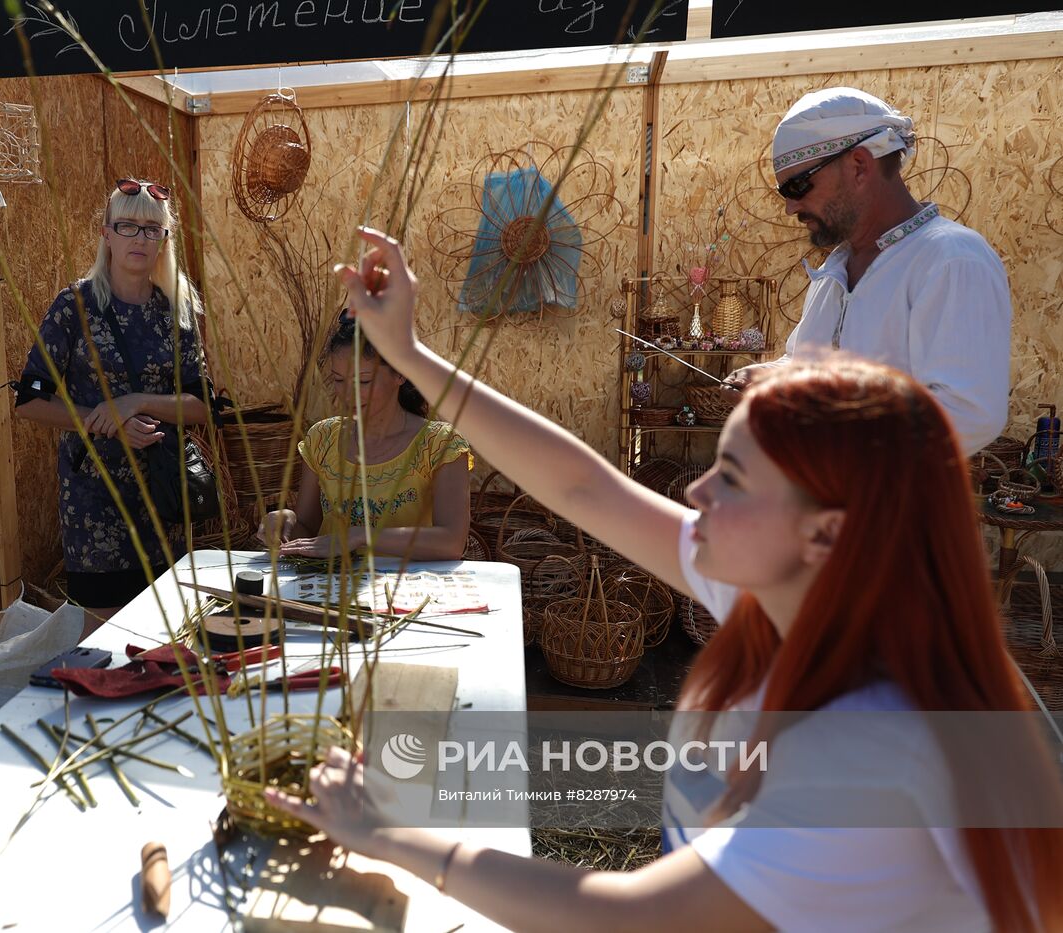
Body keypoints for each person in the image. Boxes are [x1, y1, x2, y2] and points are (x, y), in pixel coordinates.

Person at [266, 229, 1063, 932]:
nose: (695, 493)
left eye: (733, 479)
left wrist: (385, 834)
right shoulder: (788, 593)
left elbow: (631, 917)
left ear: (825, 531)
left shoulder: (868, 752)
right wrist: (409, 355)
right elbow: (586, 488)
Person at [725, 87, 1010, 455]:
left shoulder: (951, 259)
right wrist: (770, 377)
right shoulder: (837, 269)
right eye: (785, 193)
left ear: (859, 166)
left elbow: (969, 413)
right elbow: (805, 365)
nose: (791, 207)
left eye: (798, 185)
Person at [15, 178, 209, 638]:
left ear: (165, 239)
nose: (139, 238)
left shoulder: (176, 311)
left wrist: (135, 402)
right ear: (106, 234)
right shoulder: (74, 306)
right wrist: (106, 423)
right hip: (94, 500)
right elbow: (31, 400)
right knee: (102, 637)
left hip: (163, 494)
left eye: (151, 228)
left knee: (165, 632)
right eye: (127, 226)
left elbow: (200, 405)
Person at [256, 314, 471, 560]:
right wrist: (286, 522)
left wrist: (359, 536)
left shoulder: (439, 445)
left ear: (400, 374)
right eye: (338, 380)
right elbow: (309, 529)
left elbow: (452, 542)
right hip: (327, 590)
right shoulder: (323, 439)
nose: (348, 394)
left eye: (364, 381)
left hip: (406, 592)